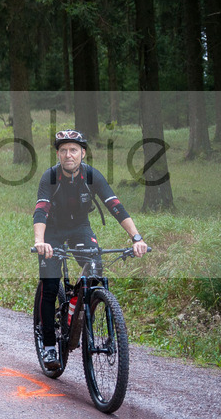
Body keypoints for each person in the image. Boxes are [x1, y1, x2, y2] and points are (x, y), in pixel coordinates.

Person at [33, 129, 148, 366]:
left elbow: (115, 206)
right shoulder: (50, 177)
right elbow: (41, 210)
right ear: (58, 154)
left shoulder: (92, 175)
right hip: (52, 231)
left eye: (73, 150)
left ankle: (80, 309)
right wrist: (40, 241)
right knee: (51, 284)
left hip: (80, 228)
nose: (68, 155)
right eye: (63, 150)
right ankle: (49, 346)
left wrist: (136, 238)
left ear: (82, 153)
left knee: (95, 271)